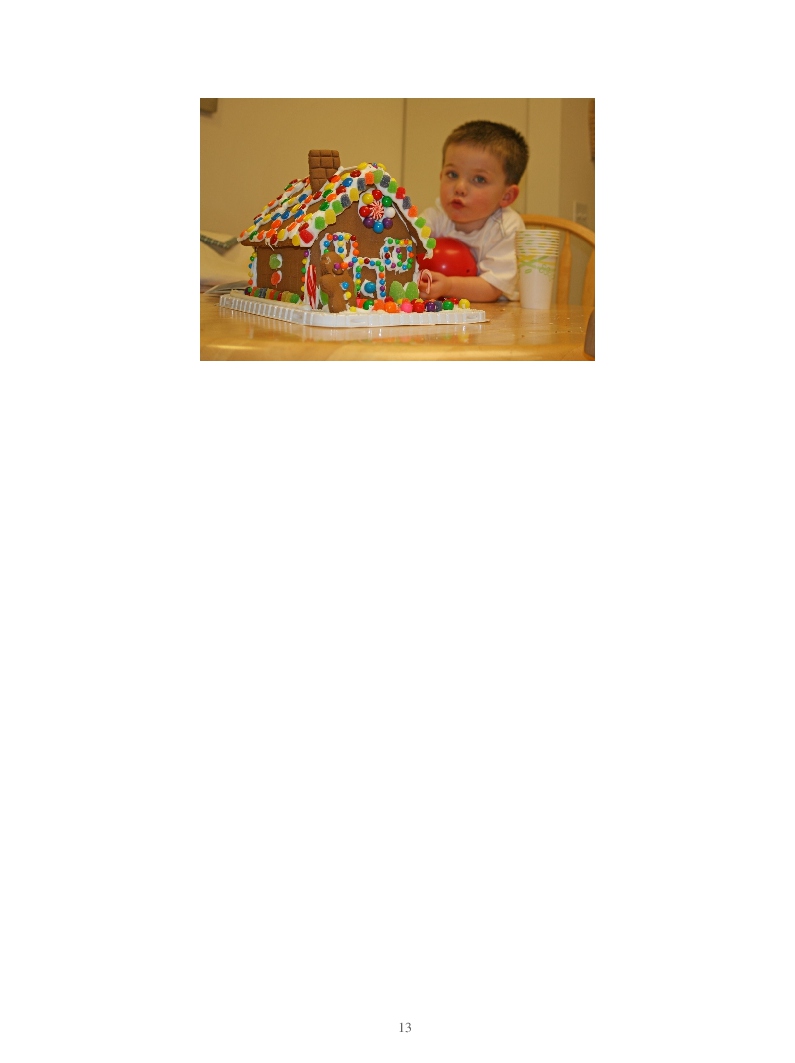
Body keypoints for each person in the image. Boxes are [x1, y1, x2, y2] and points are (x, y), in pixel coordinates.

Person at [420, 120, 528, 303]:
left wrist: (449, 286)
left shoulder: (506, 227)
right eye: (452, 174)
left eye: (479, 179)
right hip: (443, 312)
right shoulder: (436, 216)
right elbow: (404, 243)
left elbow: (492, 288)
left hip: (497, 315)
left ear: (507, 196)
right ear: (441, 176)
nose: (460, 188)